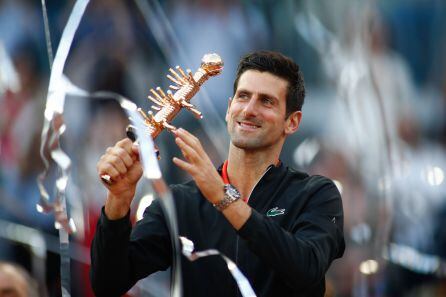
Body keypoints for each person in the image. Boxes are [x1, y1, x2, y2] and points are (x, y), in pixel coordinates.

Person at [91, 51, 345, 297]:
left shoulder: (315, 194)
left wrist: (223, 199)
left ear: (292, 122)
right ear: (229, 108)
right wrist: (119, 200)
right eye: (243, 97)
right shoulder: (181, 203)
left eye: (266, 101)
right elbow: (108, 284)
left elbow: (307, 269)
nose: (249, 110)